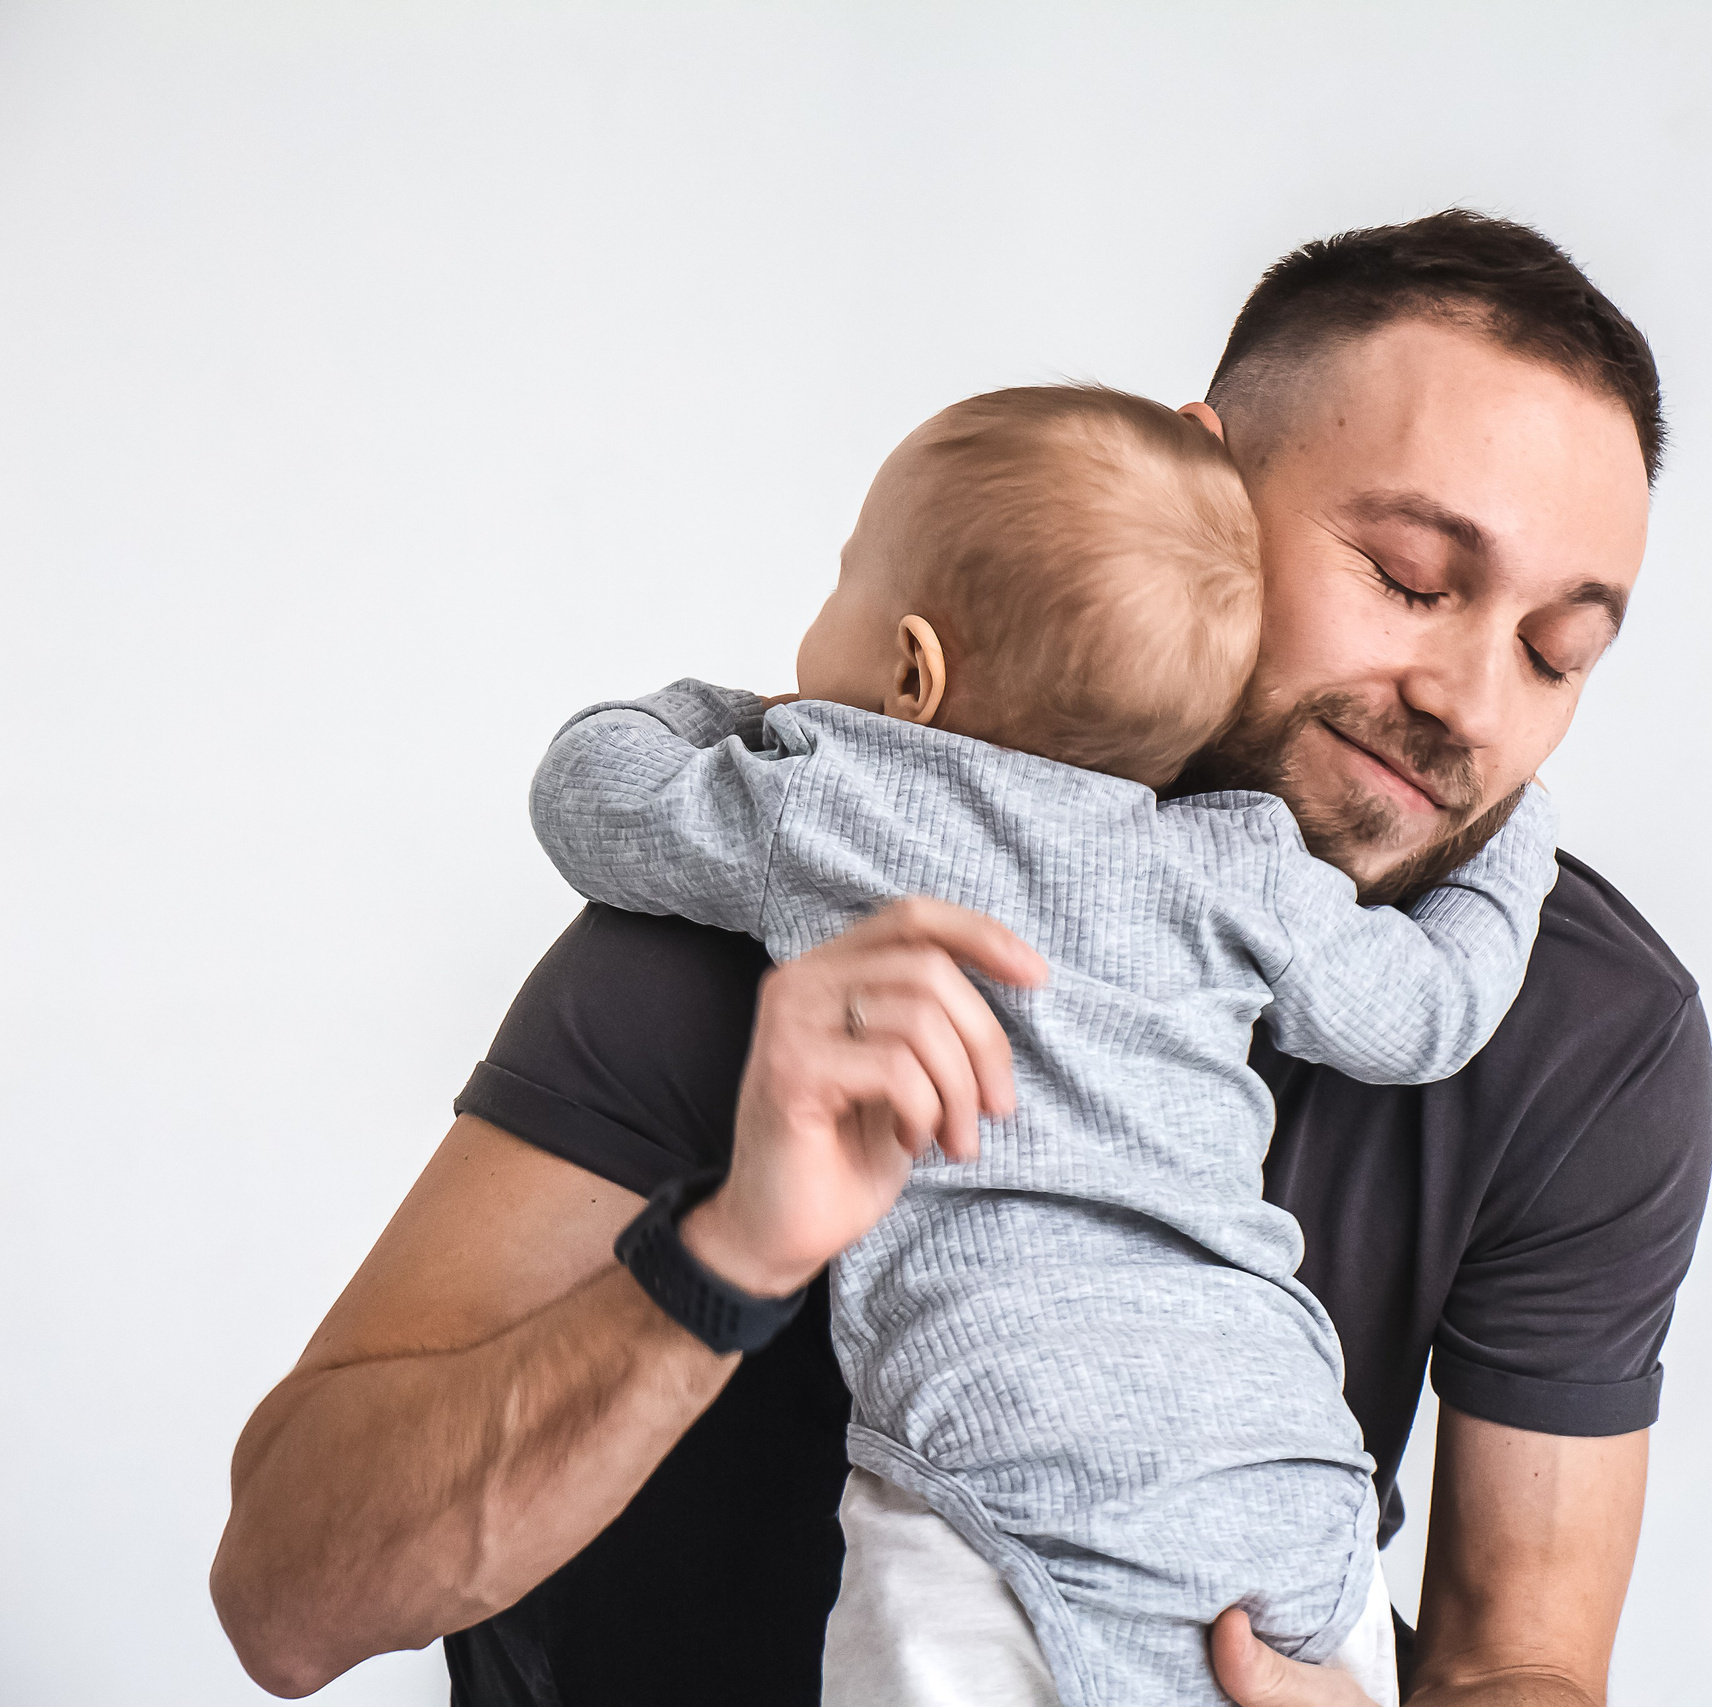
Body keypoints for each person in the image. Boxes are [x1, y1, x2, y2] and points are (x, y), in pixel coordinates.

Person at [211, 209, 1712, 1707]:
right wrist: (729, 1253)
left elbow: (1521, 1659)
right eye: (1406, 574)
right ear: (1208, 479)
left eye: (1554, 655)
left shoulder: (1587, 1029)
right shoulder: (805, 884)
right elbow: (290, 1603)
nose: (1471, 704)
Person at [528, 380, 1558, 1707]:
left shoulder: (835, 806)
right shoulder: (1235, 859)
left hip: (1001, 1467)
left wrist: (762, 718)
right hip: (1283, 1482)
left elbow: (591, 789)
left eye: (841, 584)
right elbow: (1432, 1013)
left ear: (912, 670)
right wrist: (1518, 816)